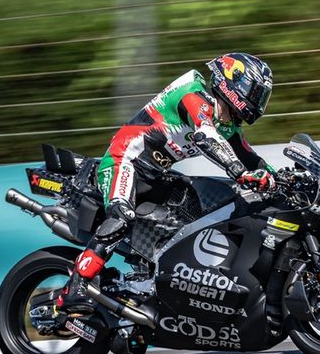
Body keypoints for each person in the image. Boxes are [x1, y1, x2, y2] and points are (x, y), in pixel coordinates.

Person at [57, 52, 276, 315]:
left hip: (155, 175)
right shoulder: (193, 94)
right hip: (123, 160)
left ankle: (148, 286)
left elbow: (251, 158)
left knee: (190, 216)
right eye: (255, 92)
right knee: (122, 216)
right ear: (234, 83)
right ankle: (75, 286)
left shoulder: (226, 124)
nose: (258, 100)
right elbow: (206, 137)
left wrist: (279, 178)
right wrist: (239, 171)